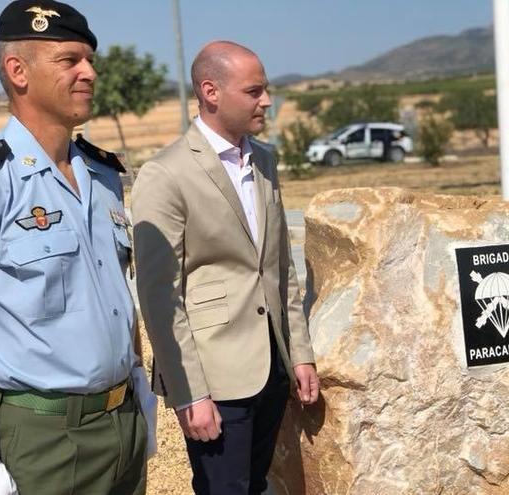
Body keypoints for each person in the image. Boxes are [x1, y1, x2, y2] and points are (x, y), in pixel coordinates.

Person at [0, 1, 156, 493]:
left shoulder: (103, 175)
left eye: (89, 60)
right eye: (70, 60)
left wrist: (140, 390)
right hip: (44, 438)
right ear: (17, 71)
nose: (90, 72)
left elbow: (115, 298)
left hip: (122, 422)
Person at [132, 41, 320, 495]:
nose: (267, 101)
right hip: (215, 378)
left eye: (266, 89)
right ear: (211, 92)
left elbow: (279, 269)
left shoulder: (267, 161)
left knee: (255, 487)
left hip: (272, 369)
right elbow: (159, 297)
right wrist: (189, 392)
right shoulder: (165, 174)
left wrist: (300, 353)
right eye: (254, 91)